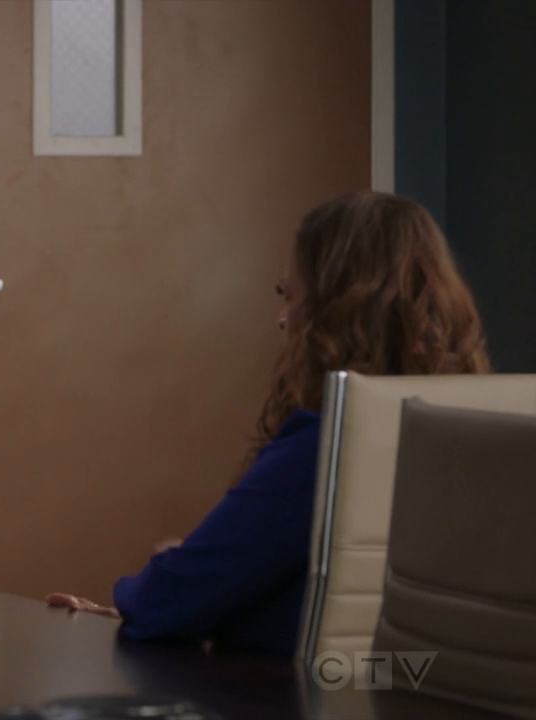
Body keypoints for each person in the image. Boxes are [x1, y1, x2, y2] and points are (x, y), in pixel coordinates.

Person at [48, 191, 490, 656]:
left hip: (311, 689)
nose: (283, 319)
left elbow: (163, 598)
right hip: (415, 684)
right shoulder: (473, 436)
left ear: (336, 313)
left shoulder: (328, 449)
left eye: (290, 296)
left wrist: (174, 570)